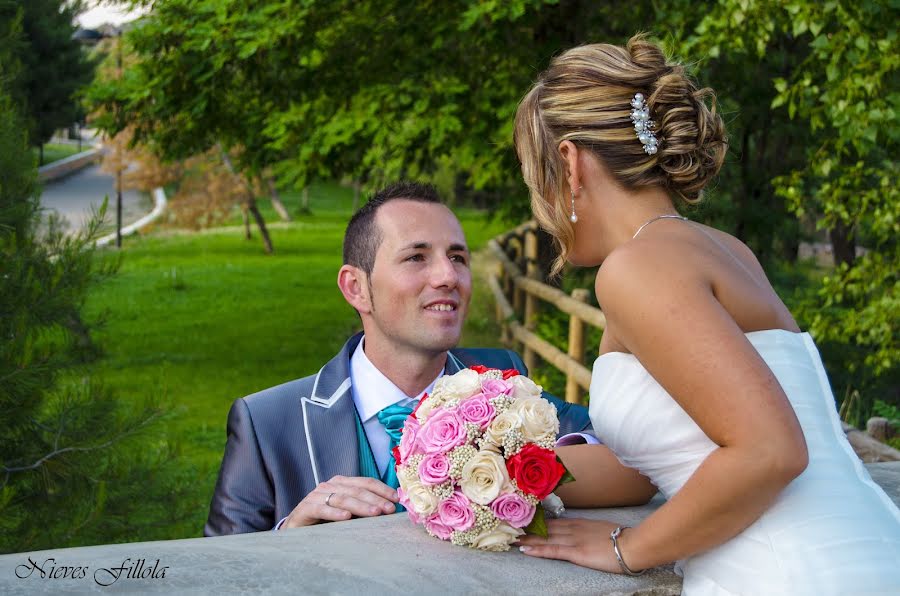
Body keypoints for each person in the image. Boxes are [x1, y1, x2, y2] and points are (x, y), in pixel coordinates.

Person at [513, 35, 900, 595]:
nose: (541, 207)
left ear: (570, 164)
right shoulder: (721, 249)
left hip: (787, 574)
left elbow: (771, 451)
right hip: (864, 549)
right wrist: (510, 467)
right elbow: (649, 463)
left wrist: (627, 548)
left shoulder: (635, 270)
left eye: (536, 177)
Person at [204, 181, 593, 536]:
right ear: (356, 288)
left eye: (457, 257)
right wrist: (287, 538)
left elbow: (615, 442)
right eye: (416, 258)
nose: (448, 276)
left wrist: (521, 471)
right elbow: (216, 575)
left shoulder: (501, 382)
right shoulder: (266, 424)